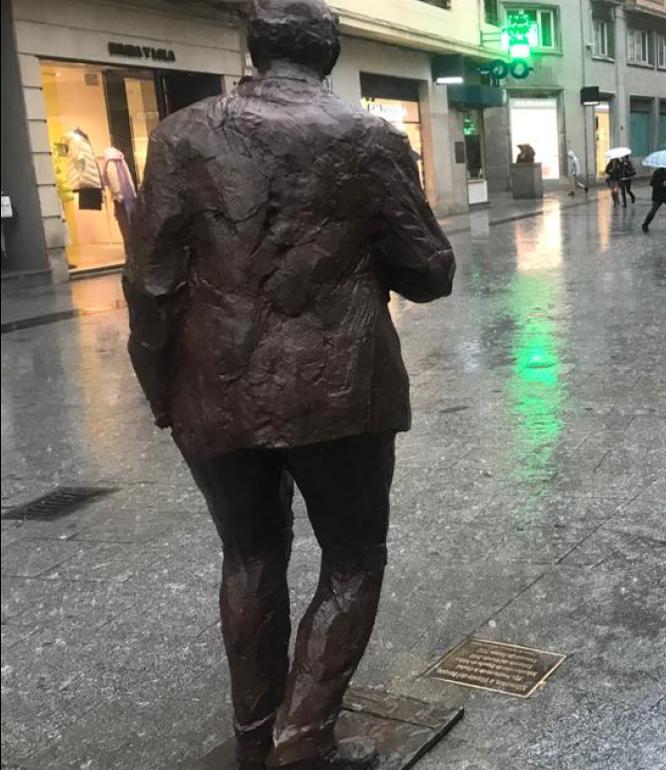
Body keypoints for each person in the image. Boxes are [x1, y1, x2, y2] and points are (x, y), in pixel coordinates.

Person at [122, 1, 455, 768]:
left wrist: (160, 386)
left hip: (215, 382)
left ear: (253, 46)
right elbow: (430, 270)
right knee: (352, 556)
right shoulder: (371, 138)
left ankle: (253, 740)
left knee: (248, 555)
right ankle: (301, 740)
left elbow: (150, 280)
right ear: (331, 53)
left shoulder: (180, 134)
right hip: (340, 384)